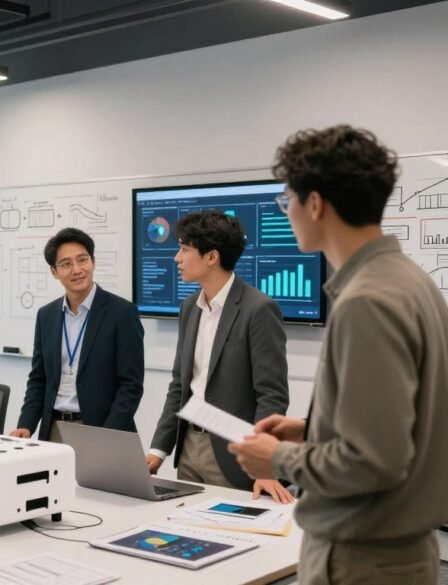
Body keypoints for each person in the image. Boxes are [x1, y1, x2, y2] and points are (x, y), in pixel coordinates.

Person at [229, 125, 448, 585]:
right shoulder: (411, 282)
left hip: (360, 562)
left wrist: (279, 460)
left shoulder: (366, 301)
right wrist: (312, 431)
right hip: (398, 555)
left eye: (286, 198)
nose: (285, 210)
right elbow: (401, 429)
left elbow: (374, 461)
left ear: (315, 203)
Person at [144, 211, 292, 502]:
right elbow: (179, 385)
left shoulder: (259, 309)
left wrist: (263, 464)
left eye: (185, 250)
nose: (177, 258)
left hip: (234, 454)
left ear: (211, 257)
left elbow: (272, 396)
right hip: (188, 446)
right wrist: (158, 450)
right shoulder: (189, 307)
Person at [10, 228, 144, 441]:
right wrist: (26, 424)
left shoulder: (122, 312)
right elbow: (39, 378)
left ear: (93, 262)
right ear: (54, 271)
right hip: (54, 427)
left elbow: (131, 385)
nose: (77, 269)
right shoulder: (46, 316)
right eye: (66, 264)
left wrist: (107, 434)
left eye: (83, 260)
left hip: (101, 429)